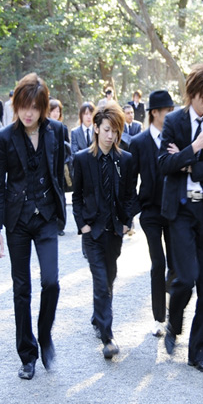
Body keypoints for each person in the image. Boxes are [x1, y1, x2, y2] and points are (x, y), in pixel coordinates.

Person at [0, 73, 66, 380]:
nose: (29, 113)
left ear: (43, 107)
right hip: (17, 221)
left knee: (51, 282)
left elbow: (58, 175)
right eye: (24, 106)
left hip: (46, 217)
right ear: (16, 105)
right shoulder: (5, 137)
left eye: (35, 106)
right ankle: (27, 354)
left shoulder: (56, 131)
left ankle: (44, 335)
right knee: (22, 289)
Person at [158, 64, 203, 373]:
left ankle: (200, 354)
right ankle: (174, 322)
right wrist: (196, 148)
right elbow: (163, 163)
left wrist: (188, 164)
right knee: (185, 278)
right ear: (191, 94)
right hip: (181, 212)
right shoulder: (173, 121)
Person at [73, 102, 137, 360]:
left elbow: (130, 194)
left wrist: (127, 221)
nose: (111, 136)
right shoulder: (82, 159)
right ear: (97, 128)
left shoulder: (125, 159)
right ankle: (107, 337)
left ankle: (97, 315)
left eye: (116, 131)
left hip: (114, 232)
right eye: (107, 129)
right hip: (93, 232)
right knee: (101, 281)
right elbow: (76, 197)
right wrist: (83, 225)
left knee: (109, 278)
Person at [129, 90, 176, 337]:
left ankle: (170, 297)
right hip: (150, 212)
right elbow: (129, 181)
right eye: (167, 111)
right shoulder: (138, 142)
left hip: (175, 211)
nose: (171, 115)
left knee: (176, 265)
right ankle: (159, 318)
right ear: (154, 113)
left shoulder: (176, 139)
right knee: (158, 262)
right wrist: (131, 213)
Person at [49, 98, 70, 236]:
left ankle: (60, 224)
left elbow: (67, 147)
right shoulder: (44, 127)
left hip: (60, 165)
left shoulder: (63, 128)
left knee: (60, 195)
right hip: (48, 165)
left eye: (58, 111)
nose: (56, 114)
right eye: (53, 111)